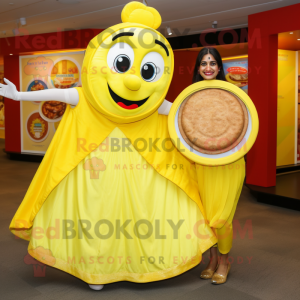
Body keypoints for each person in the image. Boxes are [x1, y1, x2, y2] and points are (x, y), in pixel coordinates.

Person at [0, 2, 217, 291]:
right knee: (98, 215)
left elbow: (181, 111)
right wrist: (18, 96)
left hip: (140, 167)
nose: (132, 80)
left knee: (139, 214)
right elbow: (61, 94)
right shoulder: (87, 97)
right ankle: (97, 270)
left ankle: (138, 263)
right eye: (123, 64)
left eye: (147, 70)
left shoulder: (153, 105)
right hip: (95, 168)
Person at [192, 47, 245, 284]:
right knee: (206, 216)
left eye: (212, 63)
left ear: (220, 67)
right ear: (198, 68)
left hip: (229, 162)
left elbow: (244, 124)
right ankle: (212, 259)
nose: (208, 68)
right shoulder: (191, 94)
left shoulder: (233, 92)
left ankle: (225, 260)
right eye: (203, 63)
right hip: (202, 163)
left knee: (221, 217)